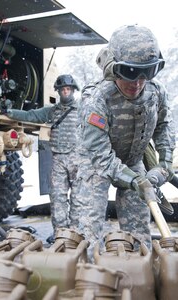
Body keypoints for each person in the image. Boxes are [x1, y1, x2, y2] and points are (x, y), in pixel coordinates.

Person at [76, 24, 176, 253]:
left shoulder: (156, 92)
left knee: (140, 231)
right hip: (95, 166)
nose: (138, 83)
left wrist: (165, 163)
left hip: (132, 161)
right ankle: (89, 275)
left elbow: (163, 127)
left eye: (146, 73)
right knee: (89, 231)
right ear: (114, 68)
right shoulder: (97, 101)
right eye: (130, 73)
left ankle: (139, 273)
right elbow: (101, 156)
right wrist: (134, 181)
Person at [0, 74, 80, 244]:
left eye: (68, 89)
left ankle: (76, 232)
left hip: (78, 160)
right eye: (63, 89)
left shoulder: (83, 110)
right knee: (57, 198)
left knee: (79, 199)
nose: (65, 92)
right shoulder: (52, 111)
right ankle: (60, 233)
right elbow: (31, 116)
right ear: (58, 91)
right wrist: (10, 112)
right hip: (58, 160)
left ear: (73, 90)